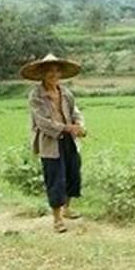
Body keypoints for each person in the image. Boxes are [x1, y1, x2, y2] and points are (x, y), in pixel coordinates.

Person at [20, 54, 87, 233]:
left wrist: (80, 126)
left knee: (73, 173)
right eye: (49, 71)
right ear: (42, 74)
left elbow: (76, 112)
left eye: (57, 71)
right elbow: (43, 123)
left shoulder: (65, 92)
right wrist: (68, 128)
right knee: (55, 178)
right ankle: (57, 219)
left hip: (70, 141)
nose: (54, 74)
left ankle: (67, 209)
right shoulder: (36, 96)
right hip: (50, 142)